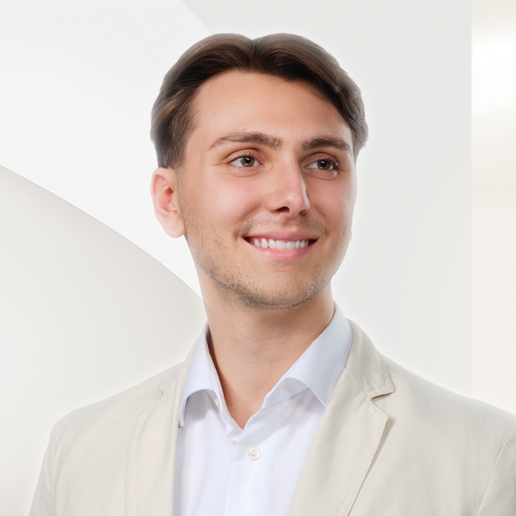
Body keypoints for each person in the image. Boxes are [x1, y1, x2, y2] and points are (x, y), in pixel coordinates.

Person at [29, 33, 516, 516]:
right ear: (169, 200)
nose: (293, 197)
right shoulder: (78, 454)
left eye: (323, 163)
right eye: (246, 159)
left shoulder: (485, 457)